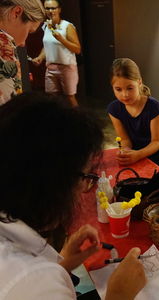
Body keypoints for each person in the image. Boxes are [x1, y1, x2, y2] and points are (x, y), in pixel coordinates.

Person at [0, 93, 146, 299]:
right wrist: (119, 295)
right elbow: (32, 284)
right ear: (53, 184)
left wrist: (63, 264)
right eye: (85, 177)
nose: (82, 193)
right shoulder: (34, 284)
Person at [32, 0, 80, 107]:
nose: (50, 11)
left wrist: (61, 39)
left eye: (53, 8)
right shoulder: (46, 26)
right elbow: (47, 46)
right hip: (50, 68)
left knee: (70, 97)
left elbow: (77, 49)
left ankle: (79, 121)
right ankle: (57, 120)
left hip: (66, 67)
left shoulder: (67, 26)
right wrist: (40, 57)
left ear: (59, 9)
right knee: (51, 98)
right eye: (47, 8)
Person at [0, 0, 45, 105]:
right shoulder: (3, 45)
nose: (23, 44)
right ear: (16, 13)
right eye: (29, 31)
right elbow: (8, 111)